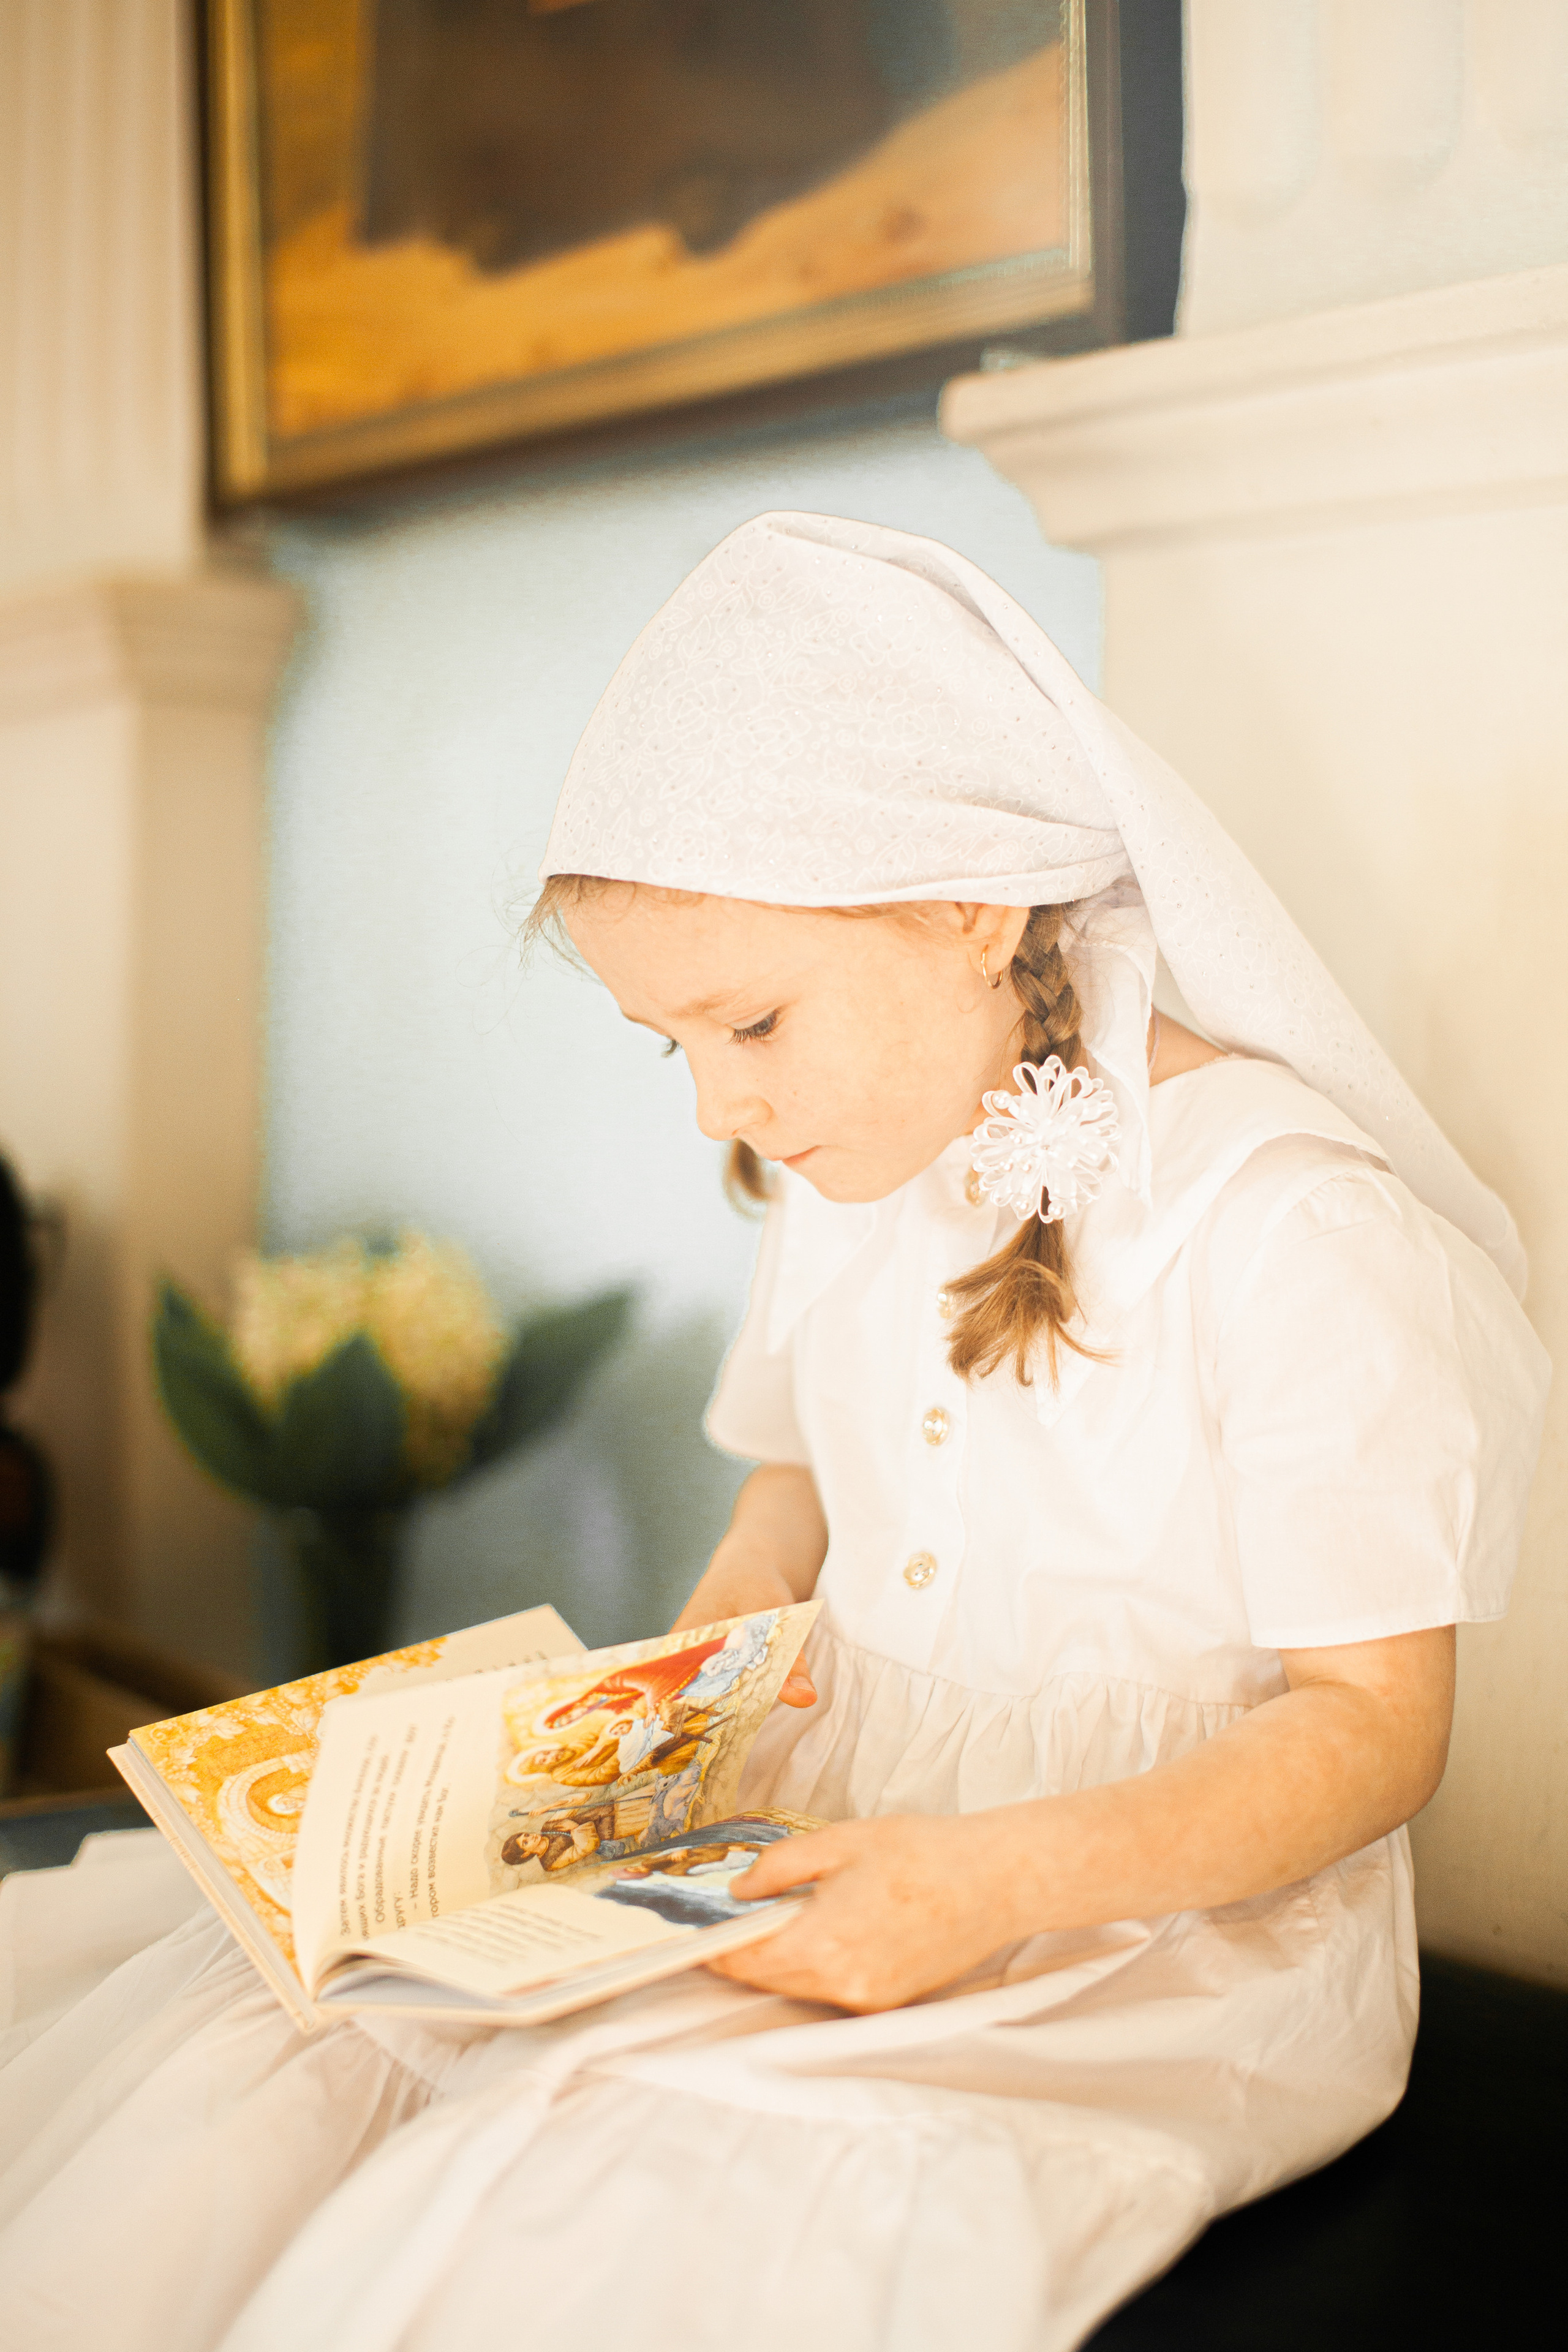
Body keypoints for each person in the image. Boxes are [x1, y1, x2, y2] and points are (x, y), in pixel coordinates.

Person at [0, 513, 1547, 2352]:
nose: (720, 1104)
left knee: (630, 2155)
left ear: (975, 905)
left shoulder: (1291, 1229)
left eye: (749, 1021)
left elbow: (1375, 1733)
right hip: (830, 1804)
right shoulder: (850, 1151)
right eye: (675, 1048)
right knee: (307, 2018)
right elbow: (799, 1483)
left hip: (1139, 1913)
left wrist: (988, 1882)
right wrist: (699, 1668)